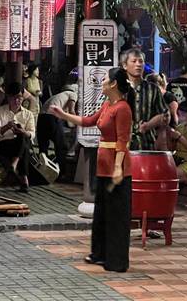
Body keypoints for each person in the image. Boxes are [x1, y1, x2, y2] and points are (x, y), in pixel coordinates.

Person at [49, 67, 132, 273]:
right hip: (103, 168)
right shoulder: (107, 105)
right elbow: (88, 122)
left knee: (116, 216)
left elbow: (123, 140)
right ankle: (99, 254)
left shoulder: (123, 108)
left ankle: (116, 260)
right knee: (102, 214)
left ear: (113, 84)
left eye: (104, 79)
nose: (101, 82)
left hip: (116, 169)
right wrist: (63, 114)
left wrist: (118, 168)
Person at [0, 82, 35, 193]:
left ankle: (14, 166)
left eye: (20, 98)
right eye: (14, 98)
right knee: (24, 146)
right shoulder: (1, 111)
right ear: (8, 98)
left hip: (22, 143)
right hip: (6, 144)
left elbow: (32, 133)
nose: (17, 101)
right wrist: (7, 127)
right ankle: (23, 179)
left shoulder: (28, 114)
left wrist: (23, 131)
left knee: (23, 137)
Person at [121, 48, 168, 150]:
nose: (138, 64)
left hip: (147, 144)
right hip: (122, 146)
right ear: (125, 65)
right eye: (134, 61)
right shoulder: (119, 89)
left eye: (141, 61)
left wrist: (148, 125)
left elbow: (165, 114)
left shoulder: (153, 88)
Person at [36, 87, 77, 174]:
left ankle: (42, 171)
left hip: (41, 118)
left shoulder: (57, 96)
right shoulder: (73, 94)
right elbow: (71, 110)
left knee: (43, 147)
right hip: (51, 117)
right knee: (62, 146)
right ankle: (60, 173)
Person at [166, 101, 187, 183]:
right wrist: (170, 138)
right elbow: (171, 148)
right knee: (158, 171)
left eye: (184, 114)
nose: (181, 117)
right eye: (180, 114)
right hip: (178, 159)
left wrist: (180, 137)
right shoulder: (180, 127)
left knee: (172, 175)